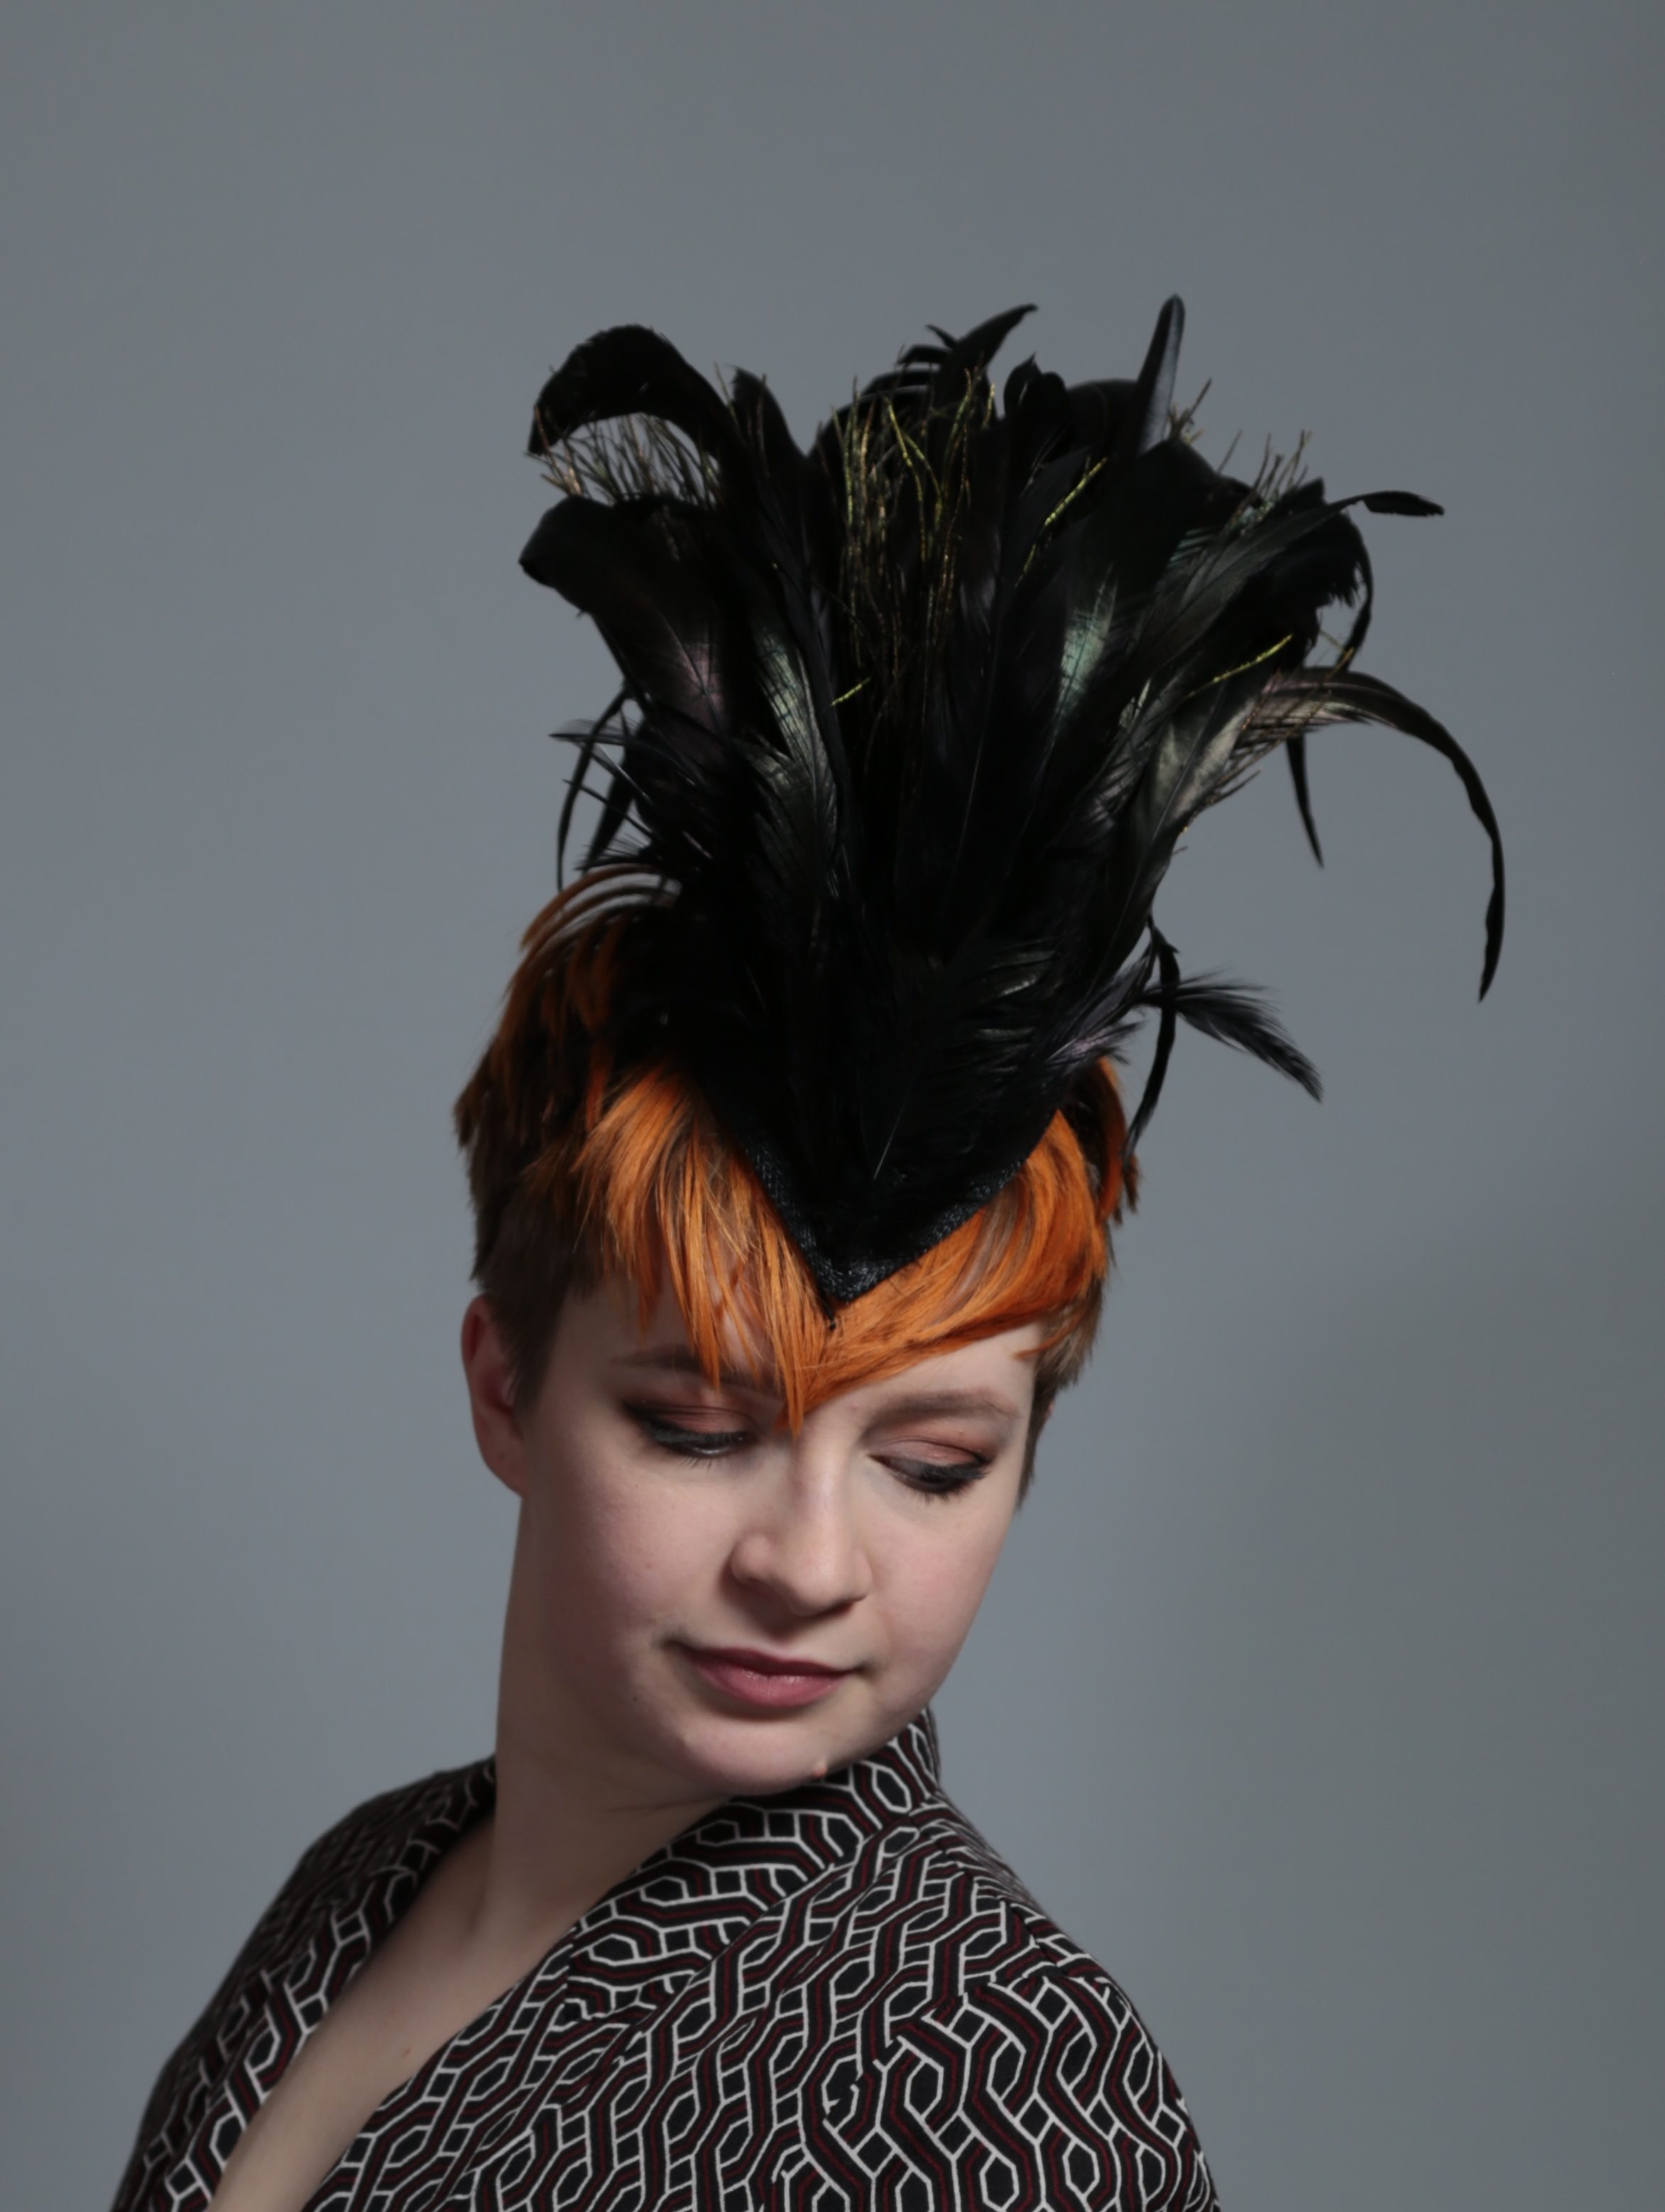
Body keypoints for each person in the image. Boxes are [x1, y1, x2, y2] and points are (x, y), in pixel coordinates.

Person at [111, 299, 1503, 2211]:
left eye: (931, 1460)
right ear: (505, 1386)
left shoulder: (991, 2090)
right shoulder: (360, 1888)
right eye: (696, 1427)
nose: (810, 1562)